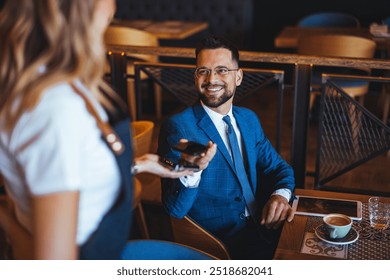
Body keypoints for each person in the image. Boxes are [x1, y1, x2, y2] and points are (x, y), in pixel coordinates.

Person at [0, 0, 192, 260]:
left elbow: (78, 168)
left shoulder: (66, 82)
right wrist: (7, 219)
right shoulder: (55, 109)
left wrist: (139, 164)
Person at [158, 36, 296, 259]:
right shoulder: (179, 128)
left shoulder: (248, 119)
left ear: (238, 76)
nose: (211, 79)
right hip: (218, 243)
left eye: (222, 70)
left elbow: (280, 169)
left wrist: (279, 196)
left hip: (264, 226)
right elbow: (174, 209)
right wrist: (191, 171)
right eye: (203, 70)